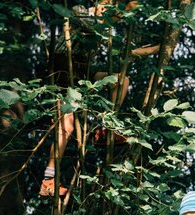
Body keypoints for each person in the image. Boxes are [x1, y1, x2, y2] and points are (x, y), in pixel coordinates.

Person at [41, 1, 160, 197]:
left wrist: (158, 48)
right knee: (67, 125)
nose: (114, 16)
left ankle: (104, 129)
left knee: (121, 81)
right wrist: (116, 16)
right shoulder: (79, 11)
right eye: (112, 9)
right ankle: (48, 180)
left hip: (82, 72)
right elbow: (89, 24)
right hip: (62, 69)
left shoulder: (106, 27)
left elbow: (126, 52)